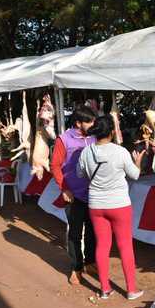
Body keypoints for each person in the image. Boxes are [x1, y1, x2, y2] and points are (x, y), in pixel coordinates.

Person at [77, 116, 145, 300]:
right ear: (113, 132)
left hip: (96, 204)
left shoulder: (86, 152)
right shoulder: (121, 152)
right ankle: (131, 290)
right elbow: (135, 175)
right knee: (125, 246)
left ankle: (105, 289)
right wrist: (137, 160)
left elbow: (80, 173)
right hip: (119, 204)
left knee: (102, 245)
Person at [50, 104, 97, 285]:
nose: (93, 124)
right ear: (78, 123)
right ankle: (76, 268)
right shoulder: (64, 139)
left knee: (93, 231)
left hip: (94, 194)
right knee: (75, 233)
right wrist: (64, 188)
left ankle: (90, 262)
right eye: (89, 121)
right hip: (73, 194)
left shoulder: (94, 137)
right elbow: (55, 165)